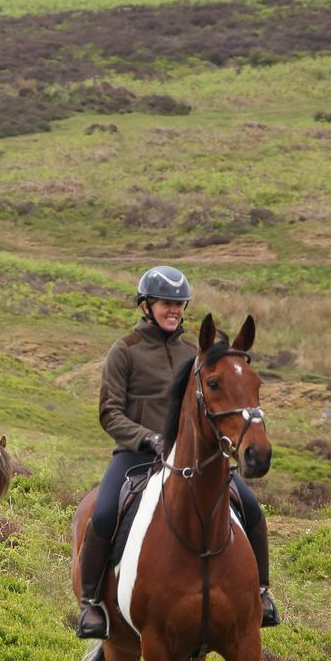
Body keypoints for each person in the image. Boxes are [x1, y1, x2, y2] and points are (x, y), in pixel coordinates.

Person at [76, 265, 280, 639]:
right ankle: (91, 603)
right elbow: (109, 413)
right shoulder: (124, 351)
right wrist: (147, 438)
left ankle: (262, 593)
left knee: (251, 509)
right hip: (137, 455)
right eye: (165, 303)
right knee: (102, 515)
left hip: (192, 459)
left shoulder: (196, 354)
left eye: (179, 304)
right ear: (146, 306)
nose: (174, 310)